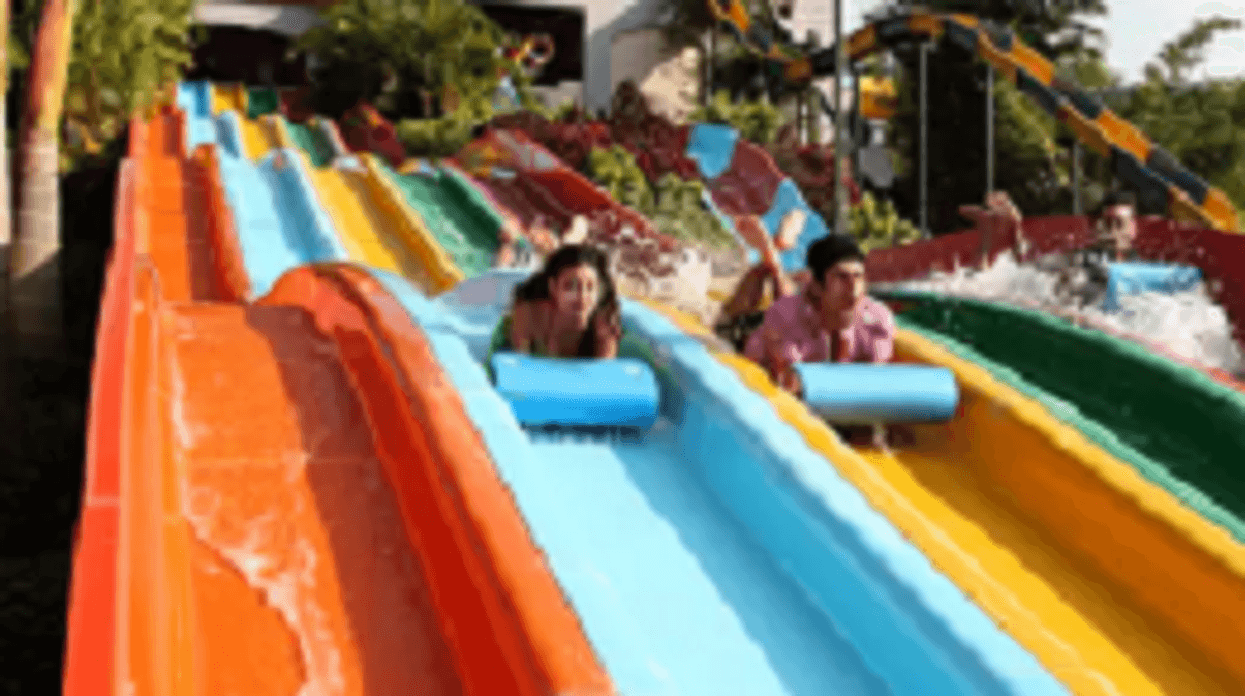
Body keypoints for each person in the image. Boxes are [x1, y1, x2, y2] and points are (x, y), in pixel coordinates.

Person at [740, 234, 900, 447]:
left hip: (809, 330)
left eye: (858, 276)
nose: (853, 287)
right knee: (743, 313)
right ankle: (771, 260)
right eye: (842, 277)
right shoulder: (784, 318)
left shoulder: (877, 321)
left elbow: (871, 384)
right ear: (816, 285)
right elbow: (787, 386)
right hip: (762, 345)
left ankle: (775, 260)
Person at [961, 189, 1141, 306]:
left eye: (1119, 224)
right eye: (1107, 223)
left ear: (1133, 228)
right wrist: (1014, 232)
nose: (1112, 231)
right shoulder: (1081, 257)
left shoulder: (1142, 271)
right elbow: (1025, 268)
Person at [489, 244, 623, 362]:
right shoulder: (529, 314)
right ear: (553, 288)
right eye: (570, 287)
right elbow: (519, 370)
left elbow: (601, 379)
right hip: (506, 331)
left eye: (590, 287)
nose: (582, 297)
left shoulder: (605, 326)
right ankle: (508, 244)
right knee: (501, 274)